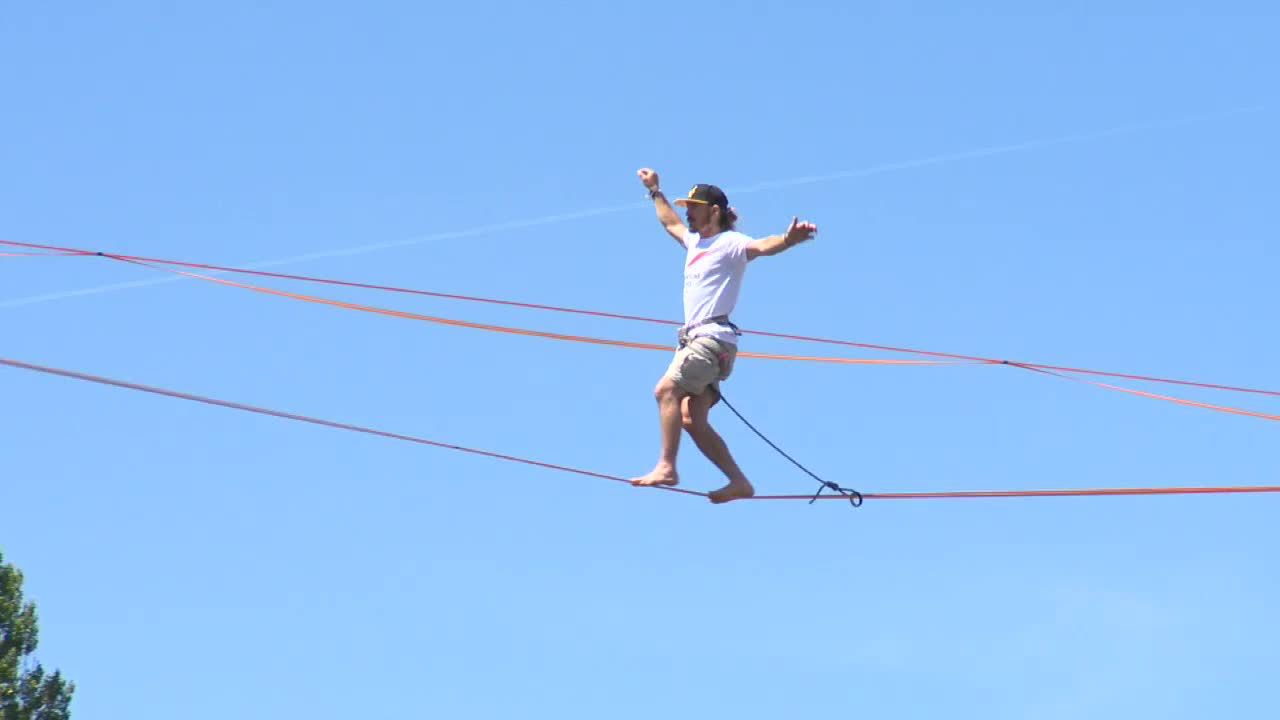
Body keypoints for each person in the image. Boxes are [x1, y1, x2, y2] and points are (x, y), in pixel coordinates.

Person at [630, 168, 818, 503]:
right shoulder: (694, 242)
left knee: (665, 391)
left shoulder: (730, 243)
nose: (687, 211)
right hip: (709, 345)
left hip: (710, 340)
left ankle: (666, 466)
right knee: (690, 418)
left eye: (694, 206)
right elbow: (669, 222)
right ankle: (739, 482)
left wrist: (789, 239)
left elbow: (762, 246)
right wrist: (655, 191)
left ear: (713, 211)